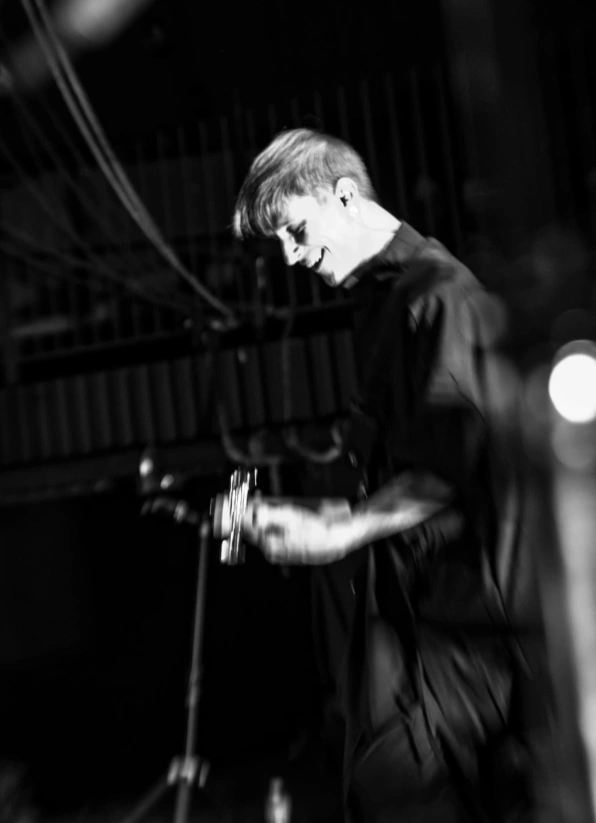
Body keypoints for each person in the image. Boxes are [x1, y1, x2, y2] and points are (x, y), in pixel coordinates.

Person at [232, 128, 542, 822]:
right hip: (425, 622)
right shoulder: (380, 304)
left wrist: (344, 530)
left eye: (295, 231)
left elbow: (453, 465)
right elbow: (403, 459)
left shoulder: (439, 297)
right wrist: (319, 517)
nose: (291, 256)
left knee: (398, 790)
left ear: (345, 196)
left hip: (472, 632)